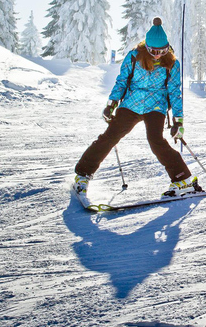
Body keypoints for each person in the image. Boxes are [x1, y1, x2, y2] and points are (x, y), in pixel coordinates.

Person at [72, 17, 198, 203]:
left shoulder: (172, 63)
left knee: (156, 140)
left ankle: (183, 180)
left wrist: (178, 121)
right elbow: (122, 81)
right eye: (154, 51)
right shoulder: (133, 57)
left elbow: (174, 92)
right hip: (132, 103)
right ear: (146, 48)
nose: (157, 55)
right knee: (110, 136)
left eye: (162, 51)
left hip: (156, 105)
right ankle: (83, 175)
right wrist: (112, 103)